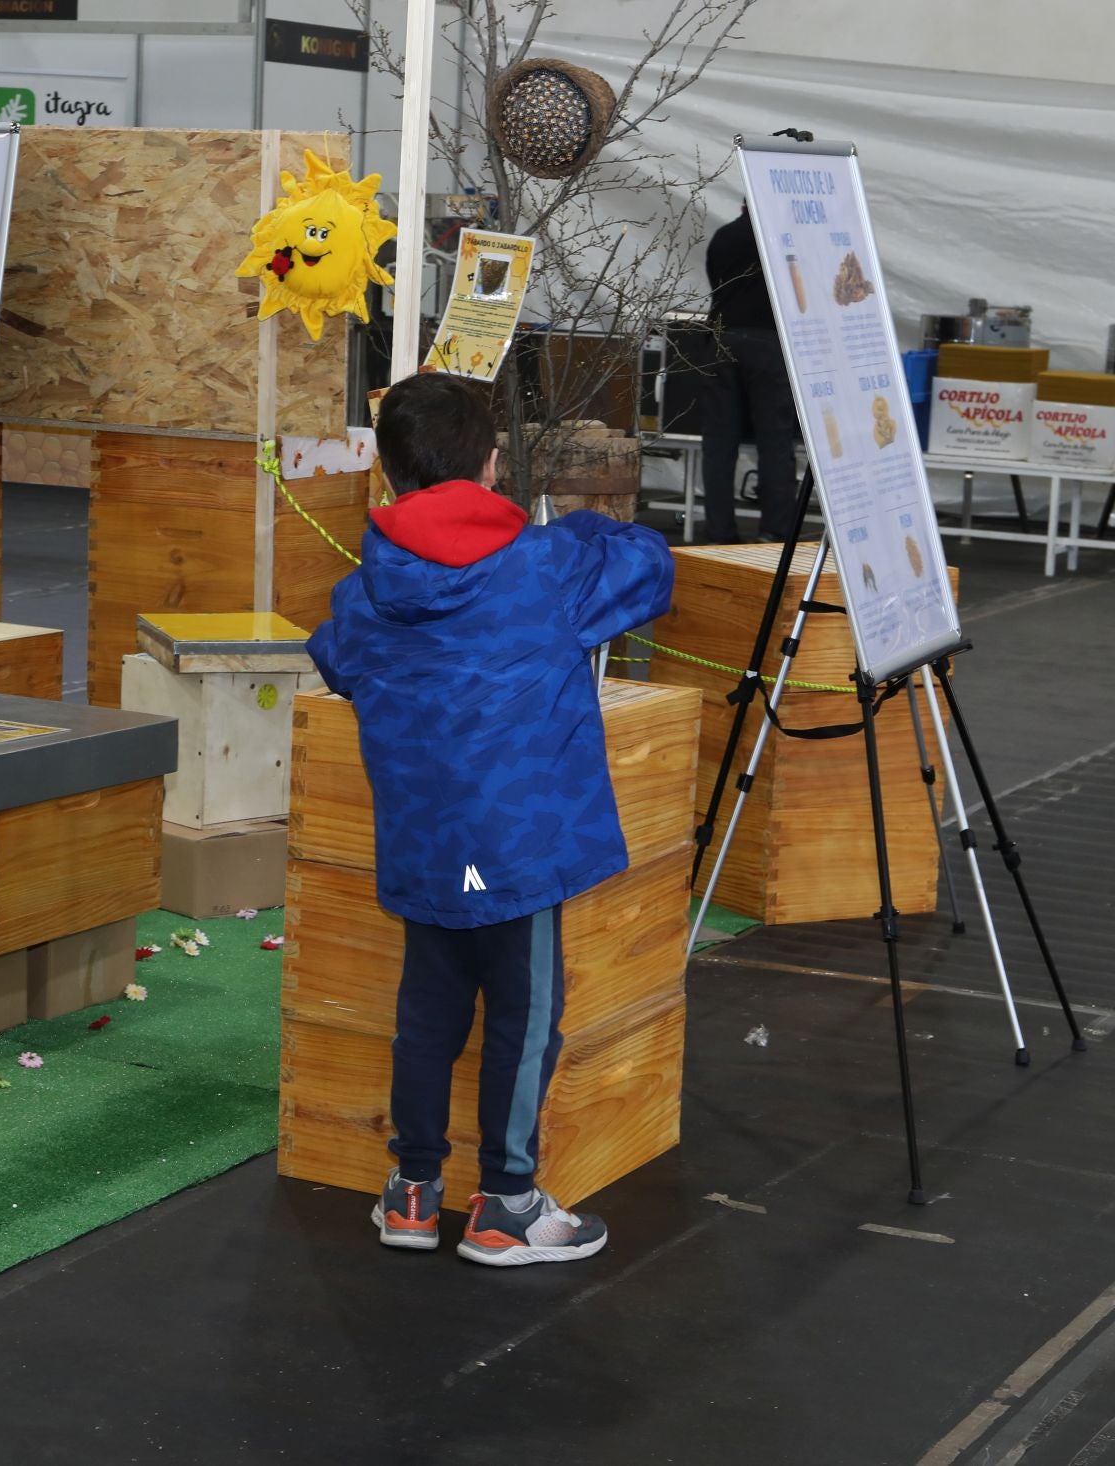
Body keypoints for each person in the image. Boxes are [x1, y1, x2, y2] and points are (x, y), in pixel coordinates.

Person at [307, 372, 674, 1266]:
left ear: (388, 476)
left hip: (428, 846)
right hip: (517, 851)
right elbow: (649, 566)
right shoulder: (547, 568)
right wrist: (578, 526)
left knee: (427, 1013)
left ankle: (413, 1190)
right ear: (491, 463)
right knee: (523, 1017)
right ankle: (508, 1202)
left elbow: (337, 660)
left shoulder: (366, 592)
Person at [701, 204, 799, 544]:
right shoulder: (783, 240)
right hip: (769, 343)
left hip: (722, 339)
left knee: (718, 446)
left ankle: (718, 532)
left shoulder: (724, 236)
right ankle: (774, 531)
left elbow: (715, 284)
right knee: (774, 443)